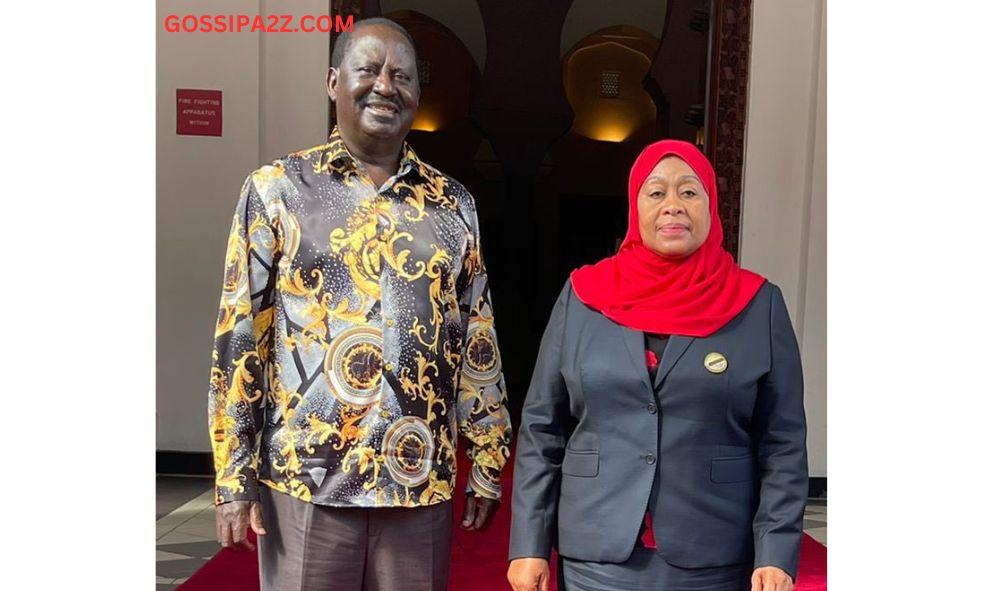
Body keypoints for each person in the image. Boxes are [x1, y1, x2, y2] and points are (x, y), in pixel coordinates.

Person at [207, 17, 511, 591]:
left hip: (416, 481)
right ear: (332, 81)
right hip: (306, 485)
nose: (385, 86)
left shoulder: (453, 207)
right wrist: (233, 476)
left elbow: (477, 337)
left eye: (402, 75)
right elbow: (240, 338)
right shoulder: (278, 190)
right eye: (368, 70)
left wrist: (490, 458)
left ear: (418, 94)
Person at [507, 140, 808, 591]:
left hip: (713, 553)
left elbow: (783, 442)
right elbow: (541, 427)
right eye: (656, 193)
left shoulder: (757, 304)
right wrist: (528, 543)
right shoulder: (584, 295)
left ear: (711, 206)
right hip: (596, 551)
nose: (673, 206)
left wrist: (777, 552)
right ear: (635, 207)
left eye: (690, 192)